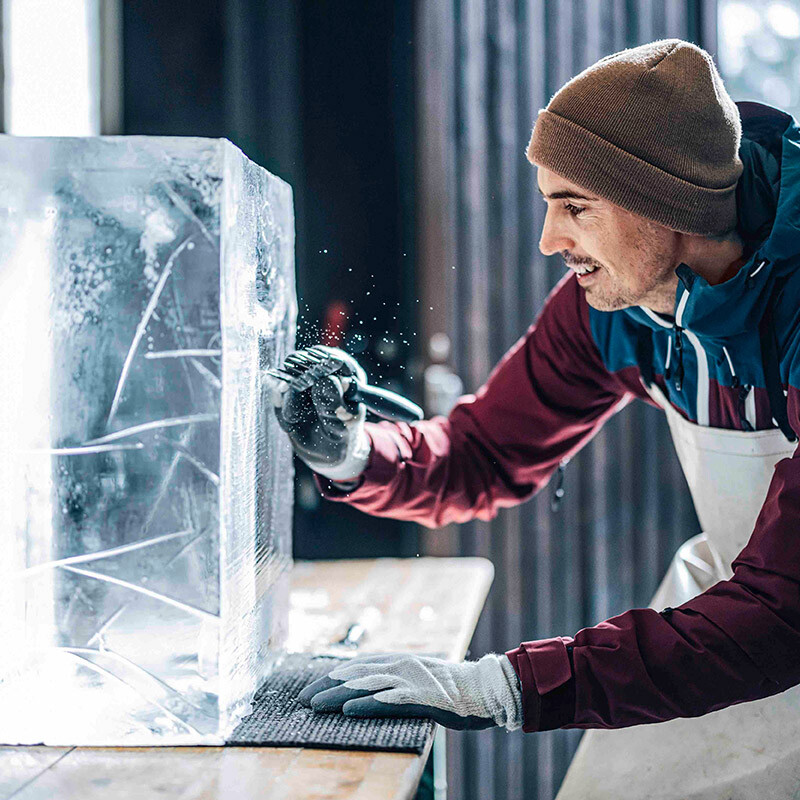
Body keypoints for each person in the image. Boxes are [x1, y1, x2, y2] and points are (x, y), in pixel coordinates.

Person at [273, 39, 800, 797]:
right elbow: (483, 452)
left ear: (668, 203)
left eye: (575, 207)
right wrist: (351, 451)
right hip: (734, 602)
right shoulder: (625, 305)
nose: (551, 240)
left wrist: (506, 687)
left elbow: (785, 608)